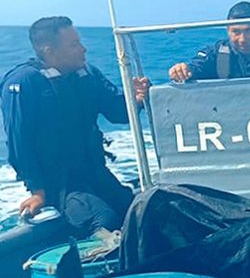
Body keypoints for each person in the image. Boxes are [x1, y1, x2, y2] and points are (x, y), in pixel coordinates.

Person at [0, 16, 150, 233]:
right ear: (50, 51)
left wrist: (137, 97)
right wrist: (38, 192)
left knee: (141, 213)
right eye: (74, 44)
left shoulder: (87, 75)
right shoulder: (23, 83)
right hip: (59, 185)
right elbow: (19, 142)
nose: (83, 49)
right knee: (105, 220)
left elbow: (118, 112)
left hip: (95, 172)